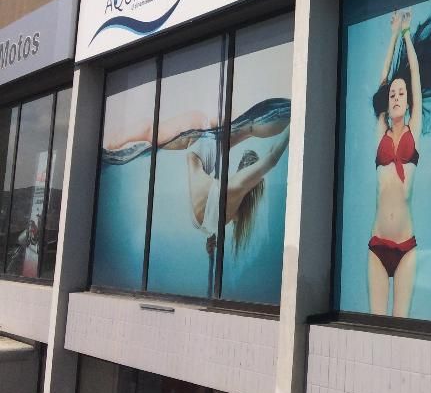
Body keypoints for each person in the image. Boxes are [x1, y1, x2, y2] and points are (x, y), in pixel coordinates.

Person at [102, 99, 291, 268]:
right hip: (203, 215)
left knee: (237, 128)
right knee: (241, 130)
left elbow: (272, 157)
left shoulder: (236, 188)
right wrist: (212, 236)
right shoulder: (236, 213)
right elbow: (217, 215)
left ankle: (130, 136)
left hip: (203, 163)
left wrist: (296, 118)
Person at [368, 10, 422, 317]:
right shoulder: (380, 132)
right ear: (387, 102)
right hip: (377, 245)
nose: (397, 96)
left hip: (406, 246)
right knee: (375, 323)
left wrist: (407, 36)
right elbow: (383, 79)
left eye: (402, 94)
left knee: (401, 324)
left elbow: (415, 77)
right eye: (393, 94)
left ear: (409, 99)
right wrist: (392, 36)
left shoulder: (415, 131)